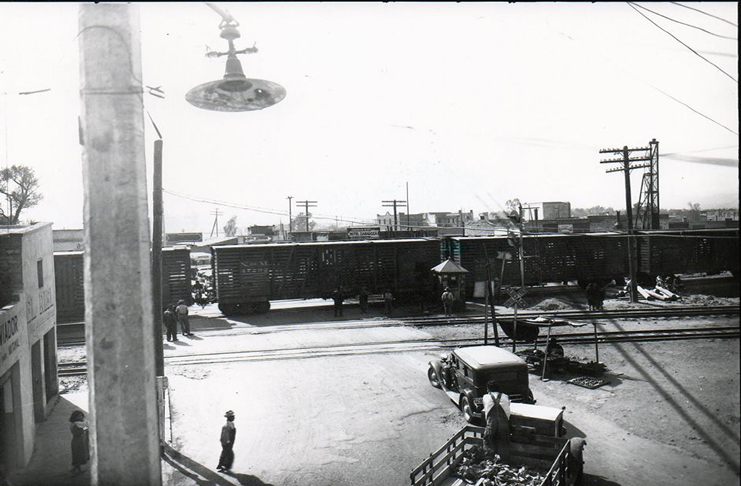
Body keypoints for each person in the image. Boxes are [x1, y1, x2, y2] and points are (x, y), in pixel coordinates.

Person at [482, 381, 511, 459]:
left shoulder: (485, 397)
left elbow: (485, 408)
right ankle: (503, 461)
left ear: (488, 389)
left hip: (491, 424)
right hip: (503, 424)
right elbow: (508, 406)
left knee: (488, 442)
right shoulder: (505, 396)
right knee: (503, 443)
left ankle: (489, 460)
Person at [69, 410, 90, 474]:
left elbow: (83, 428)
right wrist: (87, 427)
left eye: (81, 416)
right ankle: (78, 470)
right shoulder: (77, 424)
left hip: (76, 441)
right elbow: (85, 427)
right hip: (78, 441)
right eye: (78, 416)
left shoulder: (73, 423)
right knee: (79, 455)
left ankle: (75, 468)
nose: (80, 417)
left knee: (76, 455)